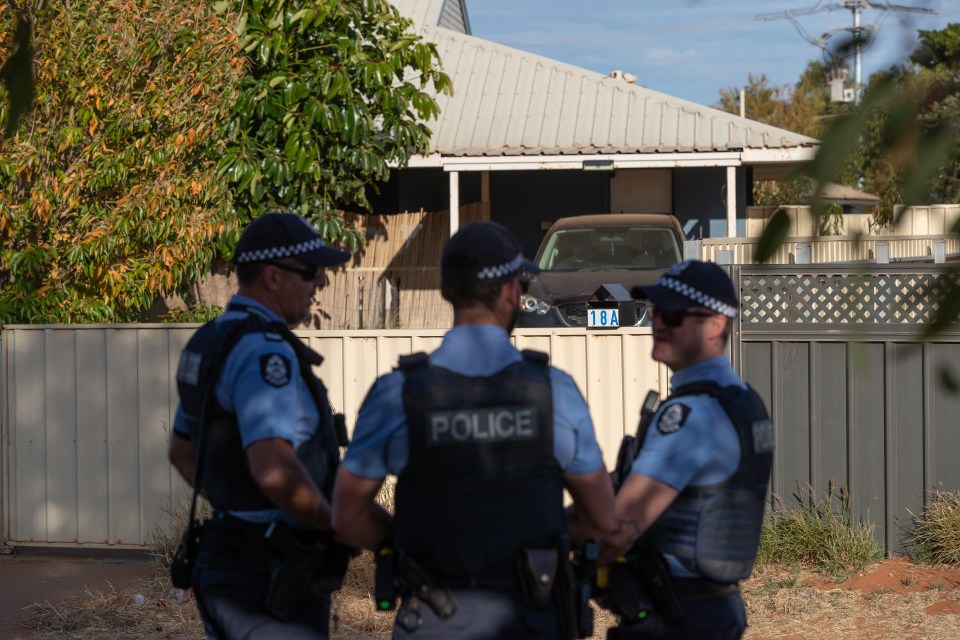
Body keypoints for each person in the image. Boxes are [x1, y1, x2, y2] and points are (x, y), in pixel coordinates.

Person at [331, 221, 615, 639]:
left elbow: (346, 514)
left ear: (445, 292)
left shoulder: (397, 394)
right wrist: (538, 538)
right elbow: (600, 517)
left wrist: (408, 546)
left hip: (432, 618)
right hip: (531, 617)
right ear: (511, 292)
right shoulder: (554, 392)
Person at [168, 211, 354, 639]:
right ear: (272, 276)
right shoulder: (264, 354)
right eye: (311, 272)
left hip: (225, 564)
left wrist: (238, 509)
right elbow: (274, 471)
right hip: (266, 575)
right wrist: (335, 523)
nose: (321, 283)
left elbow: (182, 452)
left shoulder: (212, 340)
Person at [600, 260, 775, 640]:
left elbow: (618, 527)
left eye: (674, 314)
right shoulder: (744, 401)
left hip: (678, 614)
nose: (658, 323)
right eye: (656, 310)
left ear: (715, 325)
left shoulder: (692, 415)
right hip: (712, 608)